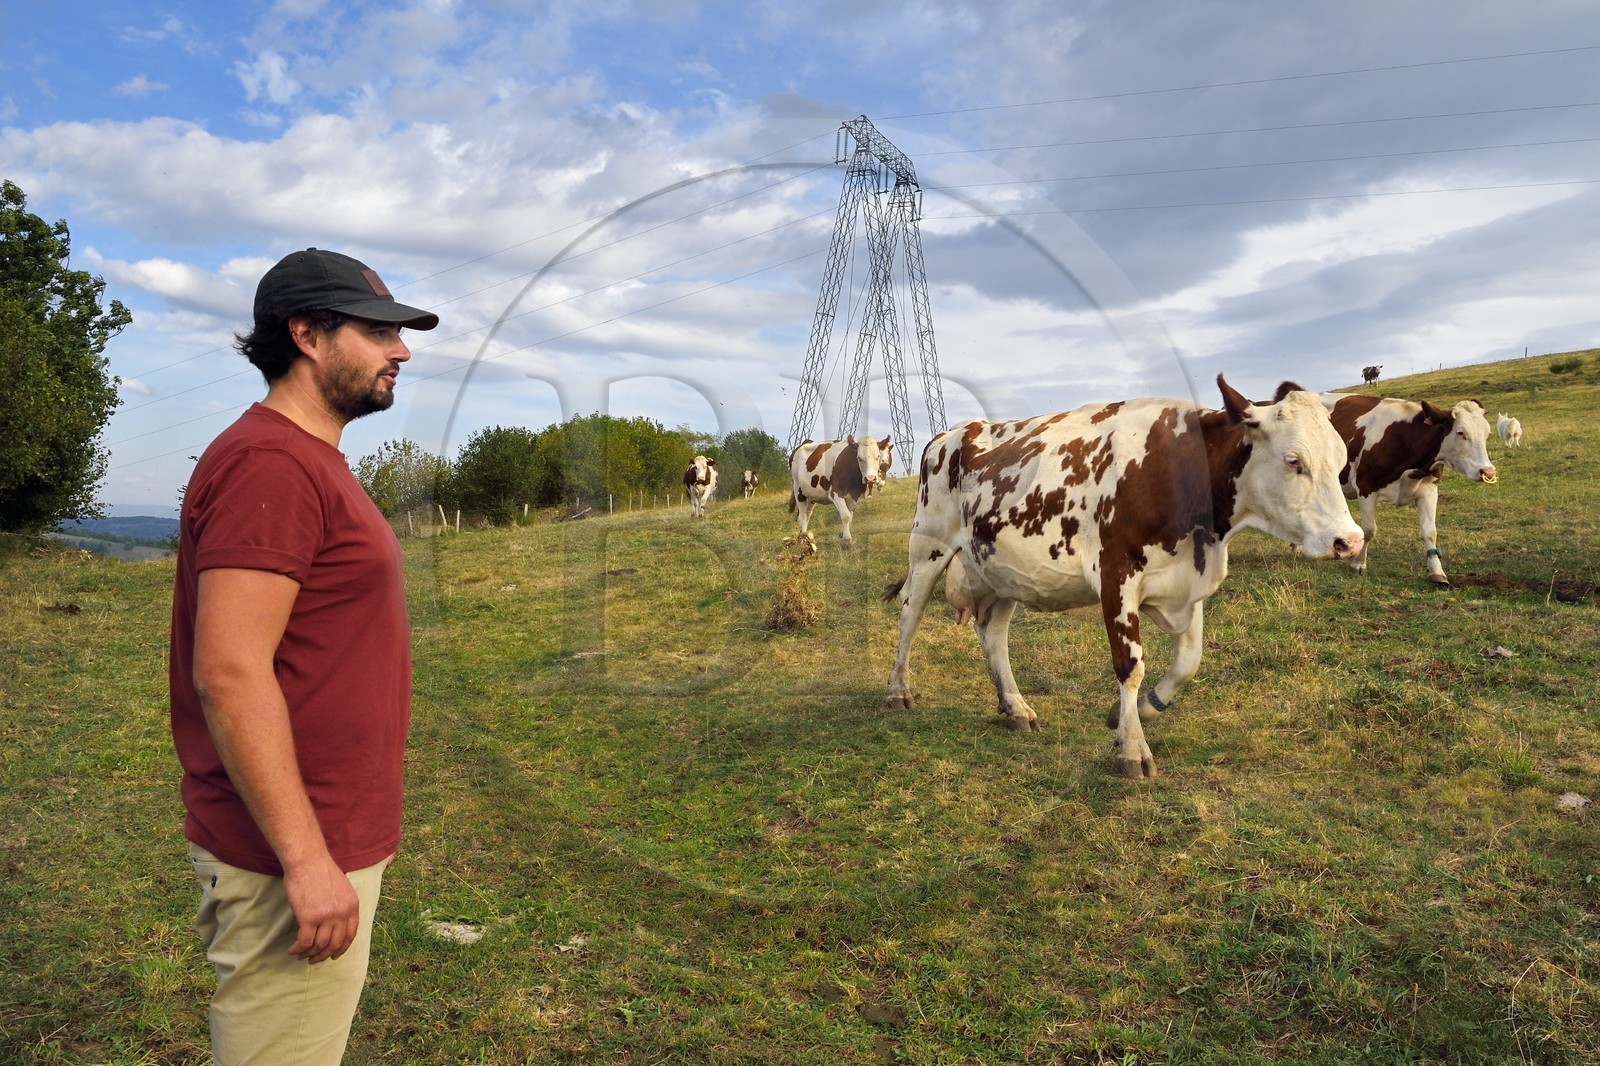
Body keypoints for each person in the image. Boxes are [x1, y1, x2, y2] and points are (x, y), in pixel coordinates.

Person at [169, 247, 438, 1063]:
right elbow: (229, 671)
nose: (402, 350)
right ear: (308, 335)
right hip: (292, 849)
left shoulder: (306, 458)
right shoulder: (274, 463)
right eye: (380, 331)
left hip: (319, 830)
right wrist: (306, 858)